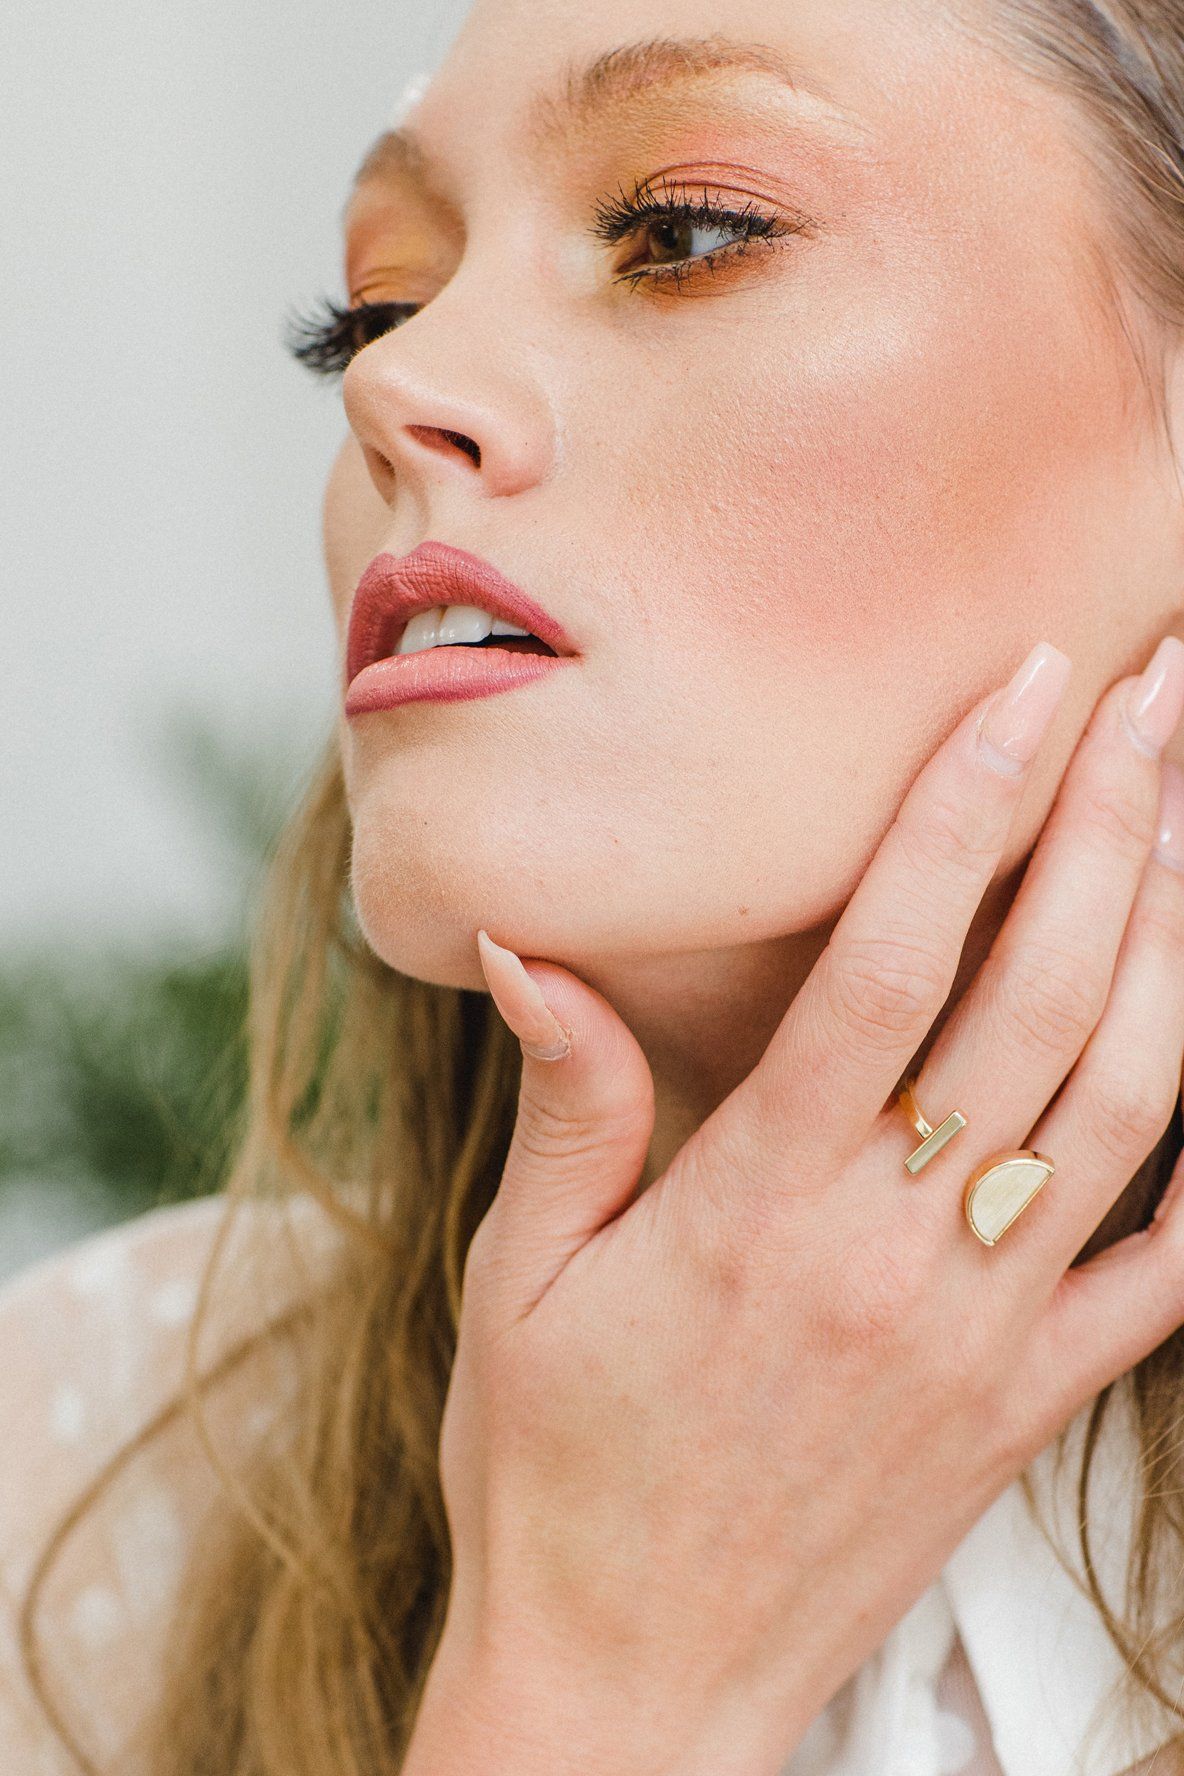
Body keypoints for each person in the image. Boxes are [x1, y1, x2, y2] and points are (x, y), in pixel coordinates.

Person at [5, 1, 1184, 1771]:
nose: (392, 385)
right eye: (376, 307)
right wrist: (591, 1676)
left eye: (684, 232)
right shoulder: (85, 1472)